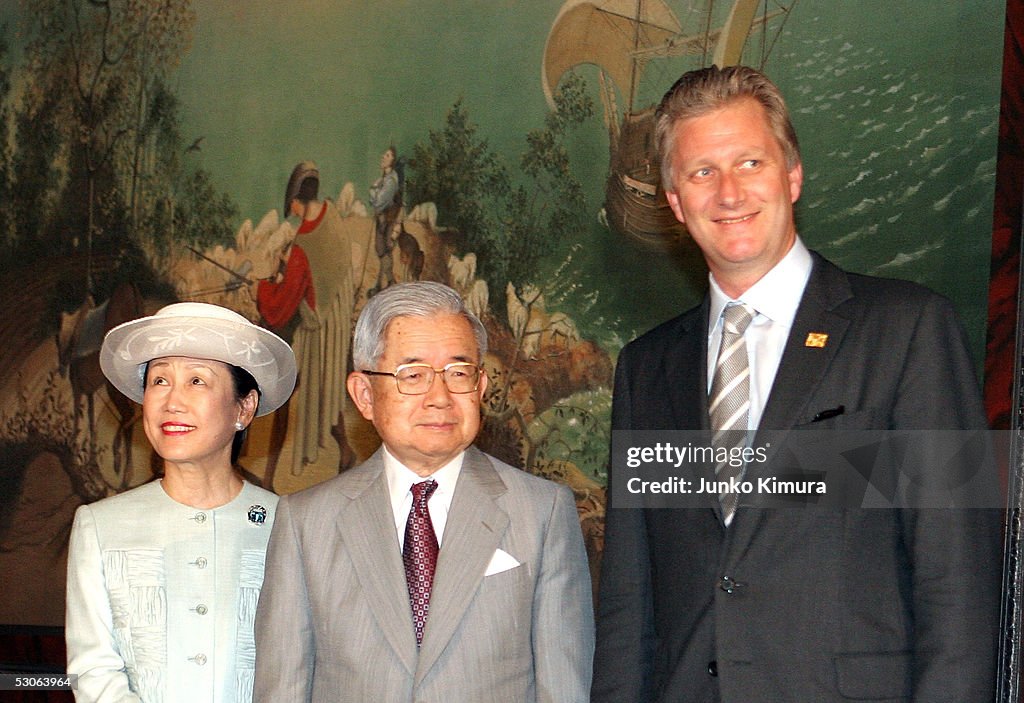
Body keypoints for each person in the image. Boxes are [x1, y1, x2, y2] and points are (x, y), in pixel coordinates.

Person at [591, 65, 1001, 702]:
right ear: (675, 202)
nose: (729, 193)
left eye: (751, 162)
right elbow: (628, 606)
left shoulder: (909, 330)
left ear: (793, 174)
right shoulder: (646, 369)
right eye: (702, 172)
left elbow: (960, 584)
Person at [253, 281, 594, 702]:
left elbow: (564, 688)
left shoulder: (542, 513)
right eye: (412, 375)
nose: (439, 397)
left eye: (458, 373)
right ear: (364, 395)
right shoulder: (306, 523)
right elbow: (282, 688)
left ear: (481, 388)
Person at [66, 302, 298, 702]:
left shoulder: (289, 525)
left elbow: (301, 663)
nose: (172, 401)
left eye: (196, 381)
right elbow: (94, 670)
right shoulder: (100, 526)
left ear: (244, 408)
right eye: (159, 381)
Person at [255, 161, 356, 476]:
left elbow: (283, 305)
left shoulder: (301, 248)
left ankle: (270, 475)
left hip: (316, 329)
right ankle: (347, 450)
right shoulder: (332, 217)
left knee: (300, 389)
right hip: (336, 322)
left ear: (298, 198)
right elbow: (327, 272)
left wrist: (264, 286)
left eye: (293, 206)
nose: (294, 213)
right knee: (325, 389)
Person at [368, 146, 402, 295]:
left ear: (392, 161)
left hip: (389, 221)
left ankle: (388, 284)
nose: (383, 157)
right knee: (381, 251)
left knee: (385, 251)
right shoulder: (383, 180)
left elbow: (378, 202)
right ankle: (387, 283)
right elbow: (373, 200)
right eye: (384, 154)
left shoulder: (391, 181)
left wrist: (374, 191)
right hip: (382, 221)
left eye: (387, 156)